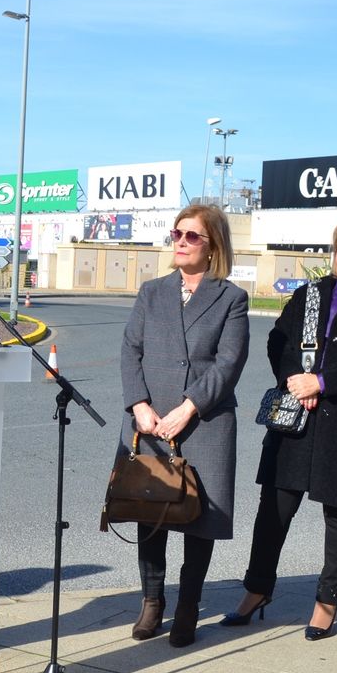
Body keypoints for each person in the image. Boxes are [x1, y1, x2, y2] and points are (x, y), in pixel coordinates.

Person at [223, 218, 337, 640]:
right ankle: (256, 590)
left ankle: (328, 602)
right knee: (273, 510)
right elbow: (278, 341)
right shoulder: (310, 295)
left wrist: (322, 383)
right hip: (296, 418)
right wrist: (295, 380)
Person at [119, 204, 249, 647]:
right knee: (150, 513)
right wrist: (139, 403)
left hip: (204, 421)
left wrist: (189, 407)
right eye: (177, 233)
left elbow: (229, 362)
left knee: (199, 519)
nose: (181, 241)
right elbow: (130, 350)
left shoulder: (231, 298)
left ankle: (189, 606)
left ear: (213, 245)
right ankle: (152, 602)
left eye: (192, 235)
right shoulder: (151, 291)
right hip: (151, 421)